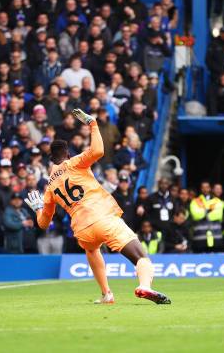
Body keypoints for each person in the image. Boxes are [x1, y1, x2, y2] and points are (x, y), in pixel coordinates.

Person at [24, 108, 170, 304]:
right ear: (67, 153)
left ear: (50, 159)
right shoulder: (74, 163)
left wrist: (37, 209)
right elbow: (98, 151)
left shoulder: (49, 186)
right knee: (141, 257)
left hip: (82, 230)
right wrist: (92, 124)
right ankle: (145, 286)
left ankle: (106, 294)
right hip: (103, 218)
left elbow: (43, 224)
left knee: (92, 250)